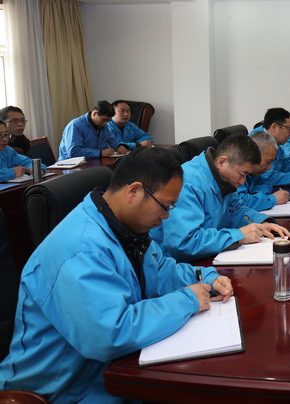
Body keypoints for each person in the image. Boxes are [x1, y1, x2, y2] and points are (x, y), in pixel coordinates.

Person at [0, 147, 234, 402]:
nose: (166, 216)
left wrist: (204, 277)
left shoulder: (126, 228)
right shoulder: (80, 249)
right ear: (134, 191)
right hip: (64, 391)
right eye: (164, 206)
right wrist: (188, 299)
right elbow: (110, 335)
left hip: (111, 372)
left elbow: (161, 269)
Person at [150, 134, 290, 262]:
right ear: (222, 162)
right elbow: (184, 242)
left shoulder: (223, 178)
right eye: (242, 174)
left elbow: (236, 210)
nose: (243, 182)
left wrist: (262, 223)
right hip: (173, 264)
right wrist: (238, 235)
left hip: (206, 255)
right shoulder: (188, 184)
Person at [59, 100, 130, 160]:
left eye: (108, 121)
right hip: (70, 166)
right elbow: (73, 152)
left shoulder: (103, 125)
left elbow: (111, 140)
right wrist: (100, 153)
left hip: (93, 162)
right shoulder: (75, 125)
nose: (105, 123)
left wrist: (118, 146)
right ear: (94, 113)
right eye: (104, 120)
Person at [240, 131, 290, 212]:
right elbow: (240, 203)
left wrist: (256, 196)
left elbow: (266, 182)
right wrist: (272, 199)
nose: (269, 168)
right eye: (268, 162)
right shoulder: (236, 171)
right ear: (255, 155)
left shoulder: (255, 172)